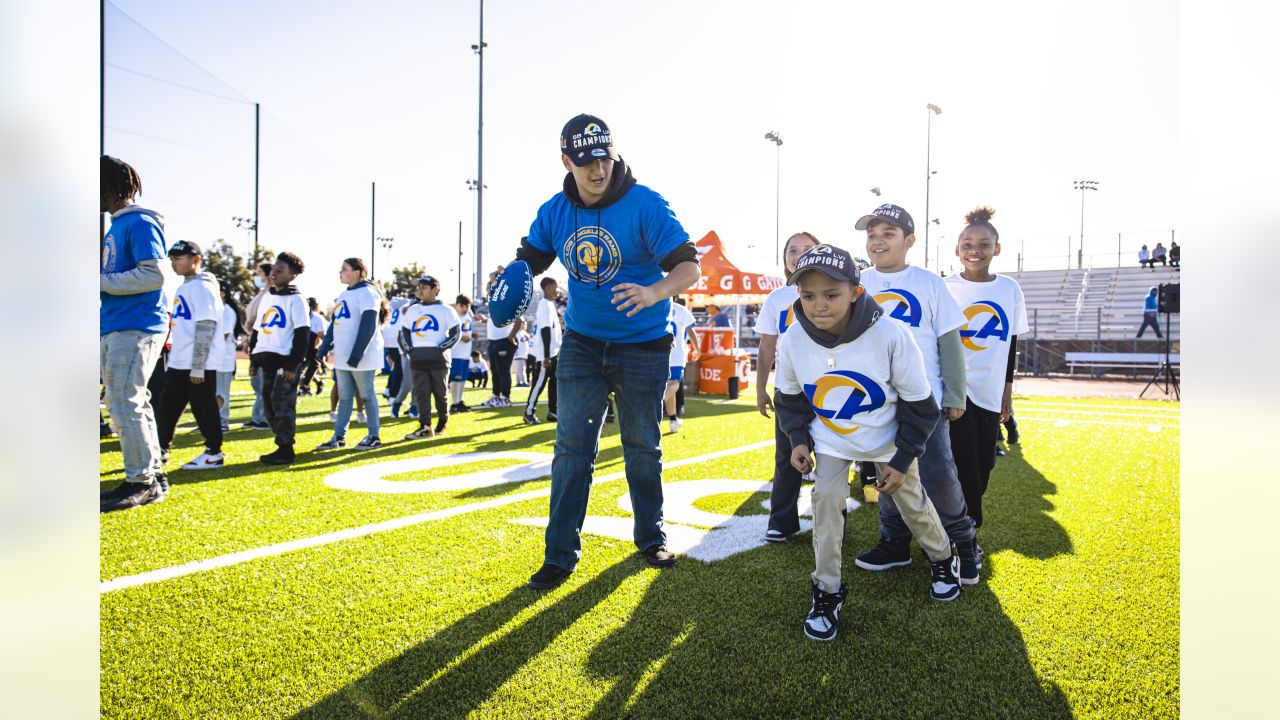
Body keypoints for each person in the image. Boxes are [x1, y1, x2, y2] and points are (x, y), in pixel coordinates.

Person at [488, 113, 701, 589]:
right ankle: (559, 555)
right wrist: (512, 290)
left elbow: (689, 268)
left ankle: (651, 536)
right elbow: (529, 260)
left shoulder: (645, 203)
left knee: (642, 447)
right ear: (567, 161)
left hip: (644, 345)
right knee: (571, 450)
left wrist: (653, 292)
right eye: (585, 162)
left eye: (603, 157)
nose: (597, 170)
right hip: (583, 344)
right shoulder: (555, 210)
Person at [774, 243, 961, 642]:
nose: (818, 305)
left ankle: (944, 558)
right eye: (808, 296)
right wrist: (798, 440)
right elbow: (788, 398)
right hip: (830, 440)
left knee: (911, 501)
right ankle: (826, 590)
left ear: (855, 292)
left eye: (831, 294)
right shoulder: (792, 338)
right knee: (824, 501)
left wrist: (902, 457)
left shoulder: (891, 335)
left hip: (888, 439)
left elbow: (921, 407)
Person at [851, 204, 981, 585]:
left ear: (909, 241)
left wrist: (955, 393)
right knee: (887, 474)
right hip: (877, 400)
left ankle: (963, 542)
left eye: (888, 234)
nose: (877, 241)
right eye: (872, 234)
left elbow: (949, 339)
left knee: (939, 474)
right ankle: (894, 542)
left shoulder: (928, 282)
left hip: (924, 399)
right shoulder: (857, 283)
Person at [946, 206, 1029, 534]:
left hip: (990, 392)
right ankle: (966, 533)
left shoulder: (1009, 289)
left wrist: (1007, 391)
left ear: (997, 248)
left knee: (984, 465)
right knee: (963, 464)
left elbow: (1010, 344)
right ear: (957, 249)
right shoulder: (945, 287)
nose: (974, 250)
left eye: (983, 244)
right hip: (954, 390)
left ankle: (961, 525)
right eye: (967, 243)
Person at [100, 156, 172, 512]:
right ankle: (151, 476)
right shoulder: (116, 226)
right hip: (119, 322)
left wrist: (99, 281)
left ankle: (141, 481)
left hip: (137, 323)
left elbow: (154, 275)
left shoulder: (140, 222)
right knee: (132, 401)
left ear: (110, 186)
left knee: (124, 400)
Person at [755, 231, 820, 542]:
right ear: (784, 259)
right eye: (792, 249)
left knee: (833, 456)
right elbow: (767, 347)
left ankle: (833, 520)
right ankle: (783, 520)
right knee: (786, 457)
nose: (798, 253)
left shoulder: (833, 291)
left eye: (807, 249)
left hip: (830, 388)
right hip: (788, 391)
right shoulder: (777, 298)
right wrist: (760, 388)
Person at [154, 240, 225, 472]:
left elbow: (206, 326)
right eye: (172, 259)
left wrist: (198, 365)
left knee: (203, 409)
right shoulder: (184, 286)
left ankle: (214, 453)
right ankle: (160, 450)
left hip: (196, 363)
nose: (174, 263)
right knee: (168, 408)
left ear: (196, 259)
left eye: (179, 258)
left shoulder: (204, 288)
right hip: (179, 360)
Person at [316, 257, 386, 451]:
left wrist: (357, 353)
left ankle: (374, 435)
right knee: (344, 397)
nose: (341, 272)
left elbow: (369, 324)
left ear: (357, 272)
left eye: (344, 269)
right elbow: (334, 324)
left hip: (362, 356)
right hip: (342, 355)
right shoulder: (344, 294)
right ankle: (339, 436)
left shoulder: (368, 293)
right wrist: (324, 347)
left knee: (366, 396)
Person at [248, 252, 310, 464]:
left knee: (282, 404)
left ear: (292, 275)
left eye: (279, 271)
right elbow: (258, 330)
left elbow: (303, 336)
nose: (273, 274)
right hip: (266, 361)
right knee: (268, 405)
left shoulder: (297, 300)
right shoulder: (267, 297)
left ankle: (285, 448)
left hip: (285, 363)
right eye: (273, 269)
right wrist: (253, 360)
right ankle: (281, 441)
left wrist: (293, 364)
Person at [397, 275, 459, 439]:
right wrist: (410, 350)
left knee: (441, 394)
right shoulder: (413, 310)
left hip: (439, 360)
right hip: (418, 360)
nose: (420, 290)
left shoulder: (446, 310)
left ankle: (442, 423)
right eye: (419, 287)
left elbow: (455, 333)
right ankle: (425, 426)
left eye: (424, 287)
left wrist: (439, 349)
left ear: (435, 289)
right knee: (421, 394)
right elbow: (404, 332)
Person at [524, 277, 562, 425]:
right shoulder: (544, 305)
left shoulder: (550, 305)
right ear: (547, 288)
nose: (557, 290)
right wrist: (546, 356)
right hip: (544, 354)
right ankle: (529, 413)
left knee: (554, 382)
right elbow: (545, 331)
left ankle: (553, 411)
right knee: (539, 384)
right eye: (555, 287)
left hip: (553, 352)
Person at [242, 262, 275, 429]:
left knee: (264, 384)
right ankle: (258, 416)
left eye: (259, 272)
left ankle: (264, 417)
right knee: (256, 383)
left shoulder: (271, 295)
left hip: (264, 343)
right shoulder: (261, 293)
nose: (257, 276)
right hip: (254, 342)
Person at [663, 297, 700, 433]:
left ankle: (673, 420)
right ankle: (656, 404)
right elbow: (691, 331)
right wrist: (697, 348)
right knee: (674, 384)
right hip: (676, 354)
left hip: (658, 352)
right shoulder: (681, 310)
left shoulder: (655, 306)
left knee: (669, 386)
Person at [214, 282, 244, 432]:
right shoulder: (218, 309)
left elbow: (223, 336)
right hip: (216, 358)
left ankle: (222, 421)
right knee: (214, 391)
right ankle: (212, 421)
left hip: (223, 358)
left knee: (221, 391)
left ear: (223, 293)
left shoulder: (227, 311)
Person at [483, 294, 518, 407]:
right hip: (493, 342)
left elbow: (519, 321)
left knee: (503, 371)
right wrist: (485, 321)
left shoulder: (506, 303)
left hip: (503, 342)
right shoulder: (494, 305)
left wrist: (511, 337)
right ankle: (496, 396)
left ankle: (505, 398)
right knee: (495, 371)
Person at [448, 294, 475, 413]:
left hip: (465, 353)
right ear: (457, 305)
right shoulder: (452, 316)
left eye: (467, 306)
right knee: (456, 379)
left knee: (463, 379)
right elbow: (451, 332)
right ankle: (454, 402)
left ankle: (459, 400)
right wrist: (462, 336)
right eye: (462, 306)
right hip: (456, 353)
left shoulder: (469, 314)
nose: (465, 309)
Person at [299, 297, 328, 396]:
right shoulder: (304, 316)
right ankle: (315, 384)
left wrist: (325, 347)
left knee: (306, 368)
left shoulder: (316, 318)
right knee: (299, 370)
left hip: (311, 347)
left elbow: (321, 335)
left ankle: (305, 387)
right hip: (304, 346)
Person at [380, 299, 405, 400]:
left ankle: (388, 390)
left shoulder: (391, 305)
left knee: (396, 368)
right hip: (397, 339)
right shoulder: (407, 305)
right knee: (399, 369)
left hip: (388, 338)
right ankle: (393, 396)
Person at [512, 317, 531, 387]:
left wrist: (528, 337)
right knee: (520, 369)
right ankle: (522, 381)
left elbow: (528, 339)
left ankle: (520, 381)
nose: (524, 325)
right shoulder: (516, 333)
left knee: (522, 368)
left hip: (524, 354)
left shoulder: (523, 332)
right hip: (519, 354)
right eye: (522, 324)